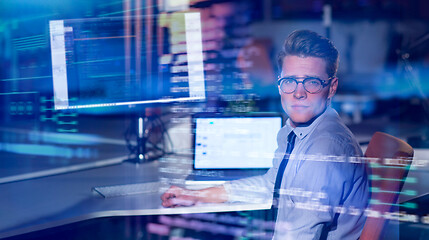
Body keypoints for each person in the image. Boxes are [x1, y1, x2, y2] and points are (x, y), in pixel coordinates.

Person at [161, 30, 369, 239]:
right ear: (279, 85)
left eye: (312, 82)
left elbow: (301, 235)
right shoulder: (296, 132)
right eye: (289, 81)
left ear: (331, 88)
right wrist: (197, 196)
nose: (298, 93)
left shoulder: (325, 148)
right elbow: (270, 185)